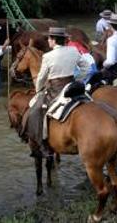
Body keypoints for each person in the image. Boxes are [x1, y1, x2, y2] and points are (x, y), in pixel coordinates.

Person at [26, 27, 89, 157]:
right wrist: (78, 79)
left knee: (36, 111)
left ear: (54, 40)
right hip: (73, 86)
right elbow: (86, 67)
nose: (48, 40)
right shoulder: (73, 50)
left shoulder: (48, 56)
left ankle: (42, 144)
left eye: (49, 38)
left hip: (56, 90)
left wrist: (38, 91)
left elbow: (42, 77)